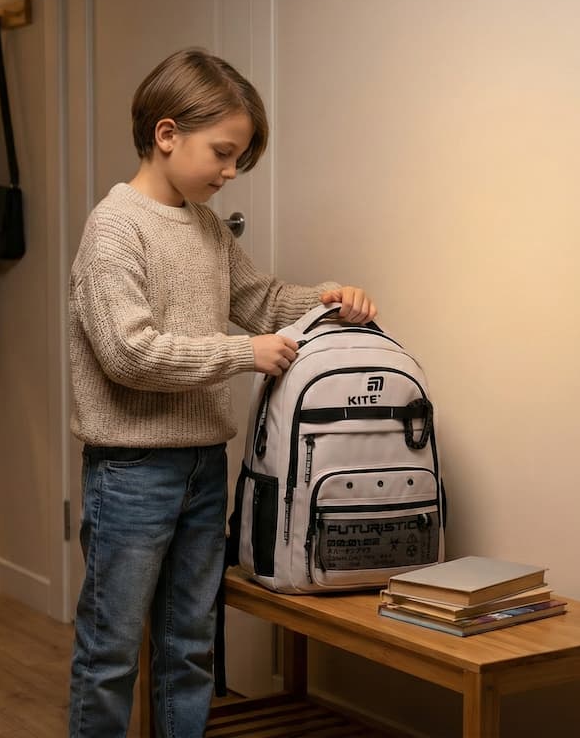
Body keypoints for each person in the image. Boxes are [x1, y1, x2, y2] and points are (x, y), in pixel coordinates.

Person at [66, 47, 378, 737]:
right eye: (223, 152)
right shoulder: (113, 229)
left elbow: (262, 302)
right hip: (130, 474)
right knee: (110, 652)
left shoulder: (205, 229)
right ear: (167, 134)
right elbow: (128, 354)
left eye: (239, 157)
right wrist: (244, 354)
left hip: (205, 468)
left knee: (190, 647)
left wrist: (326, 298)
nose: (231, 171)